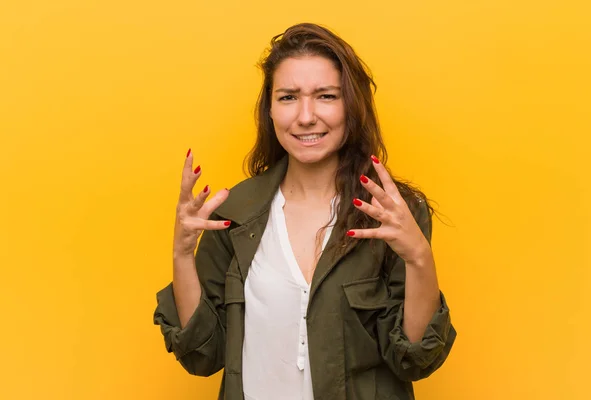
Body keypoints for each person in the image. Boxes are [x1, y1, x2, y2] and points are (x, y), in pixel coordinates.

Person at [153, 22, 457, 400]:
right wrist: (182, 254)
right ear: (270, 109)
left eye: (326, 96)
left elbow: (414, 358)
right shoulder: (235, 210)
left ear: (352, 104)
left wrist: (419, 258)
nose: (306, 116)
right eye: (288, 97)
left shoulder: (393, 212)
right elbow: (202, 354)